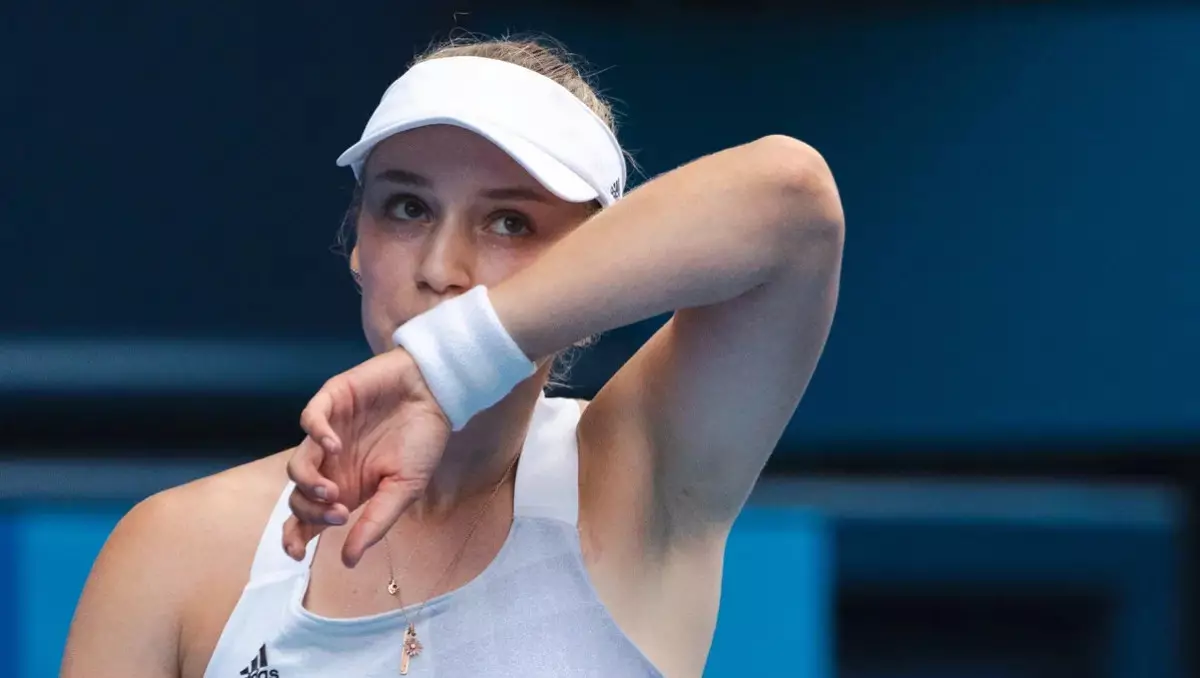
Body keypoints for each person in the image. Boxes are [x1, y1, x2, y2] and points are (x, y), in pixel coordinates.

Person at [62, 35, 844, 678]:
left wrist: (453, 362)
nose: (441, 267)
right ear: (358, 245)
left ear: (598, 270)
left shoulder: (640, 480)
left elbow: (793, 200)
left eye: (510, 222)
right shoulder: (171, 551)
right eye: (407, 207)